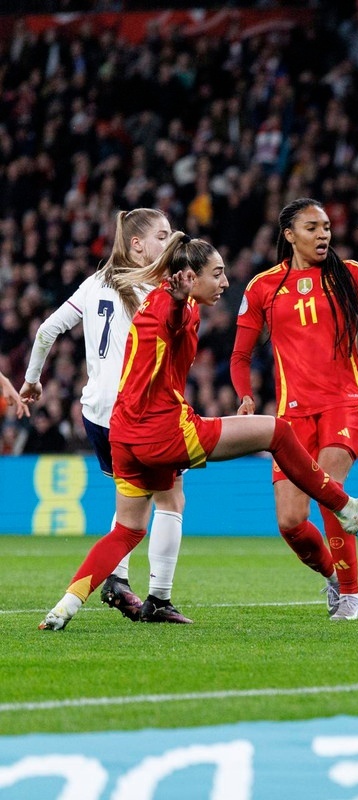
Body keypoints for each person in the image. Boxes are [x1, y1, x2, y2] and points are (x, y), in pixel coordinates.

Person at [39, 233, 358, 631]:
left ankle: (65, 608)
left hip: (124, 435)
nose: (226, 283)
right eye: (218, 274)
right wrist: (179, 302)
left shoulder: (161, 299)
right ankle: (345, 508)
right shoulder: (176, 305)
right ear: (190, 277)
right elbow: (173, 321)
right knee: (277, 431)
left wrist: (178, 299)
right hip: (165, 431)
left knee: (127, 530)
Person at [231, 198, 358, 622]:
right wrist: (245, 396)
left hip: (344, 404)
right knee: (291, 522)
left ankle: (352, 596)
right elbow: (239, 355)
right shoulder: (262, 287)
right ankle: (333, 576)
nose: (323, 234)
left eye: (327, 226)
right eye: (312, 227)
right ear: (289, 235)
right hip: (291, 416)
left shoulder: (351, 274)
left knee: (329, 493)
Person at [21, 208, 193, 623]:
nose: (169, 243)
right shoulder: (155, 289)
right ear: (136, 244)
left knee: (129, 496)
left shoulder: (93, 282)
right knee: (170, 498)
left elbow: (46, 331)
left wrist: (32, 380)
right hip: (135, 410)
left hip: (94, 412)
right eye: (161, 235)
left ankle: (117, 580)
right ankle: (160, 598)